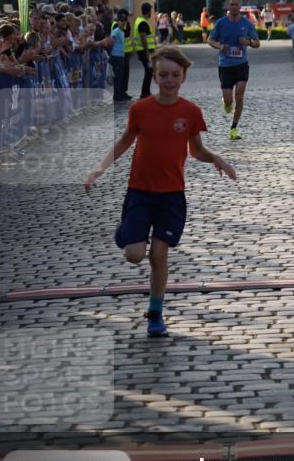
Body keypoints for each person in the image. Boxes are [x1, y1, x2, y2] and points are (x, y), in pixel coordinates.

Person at [84, 47, 236, 337]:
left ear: (183, 77)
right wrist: (99, 169)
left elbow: (197, 150)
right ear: (154, 77)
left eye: (175, 75)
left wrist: (217, 158)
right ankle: (125, 233)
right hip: (140, 191)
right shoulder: (140, 109)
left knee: (158, 255)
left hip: (172, 195)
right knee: (134, 255)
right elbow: (125, 140)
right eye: (163, 75)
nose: (169, 80)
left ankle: (156, 312)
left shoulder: (191, 112)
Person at [207, 0, 260, 140]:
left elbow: (257, 42)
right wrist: (219, 46)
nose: (234, 7)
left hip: (241, 64)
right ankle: (227, 103)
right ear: (228, 7)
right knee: (229, 100)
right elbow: (210, 39)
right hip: (225, 65)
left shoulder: (247, 24)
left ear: (240, 6)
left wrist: (248, 42)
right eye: (232, 4)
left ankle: (234, 128)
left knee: (240, 94)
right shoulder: (221, 23)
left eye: (236, 4)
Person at [134, 2, 156, 99]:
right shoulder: (142, 23)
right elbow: (143, 38)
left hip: (144, 51)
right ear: (148, 11)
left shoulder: (140, 20)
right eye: (150, 10)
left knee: (149, 71)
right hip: (145, 52)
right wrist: (147, 52)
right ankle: (144, 93)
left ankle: (146, 92)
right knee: (149, 71)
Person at [110, 8, 133, 100]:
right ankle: (119, 93)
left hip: (125, 52)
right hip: (118, 53)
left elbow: (127, 34)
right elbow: (114, 39)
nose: (125, 21)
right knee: (119, 75)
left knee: (124, 73)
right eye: (123, 19)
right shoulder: (116, 25)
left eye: (126, 19)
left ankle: (123, 92)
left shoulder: (126, 25)